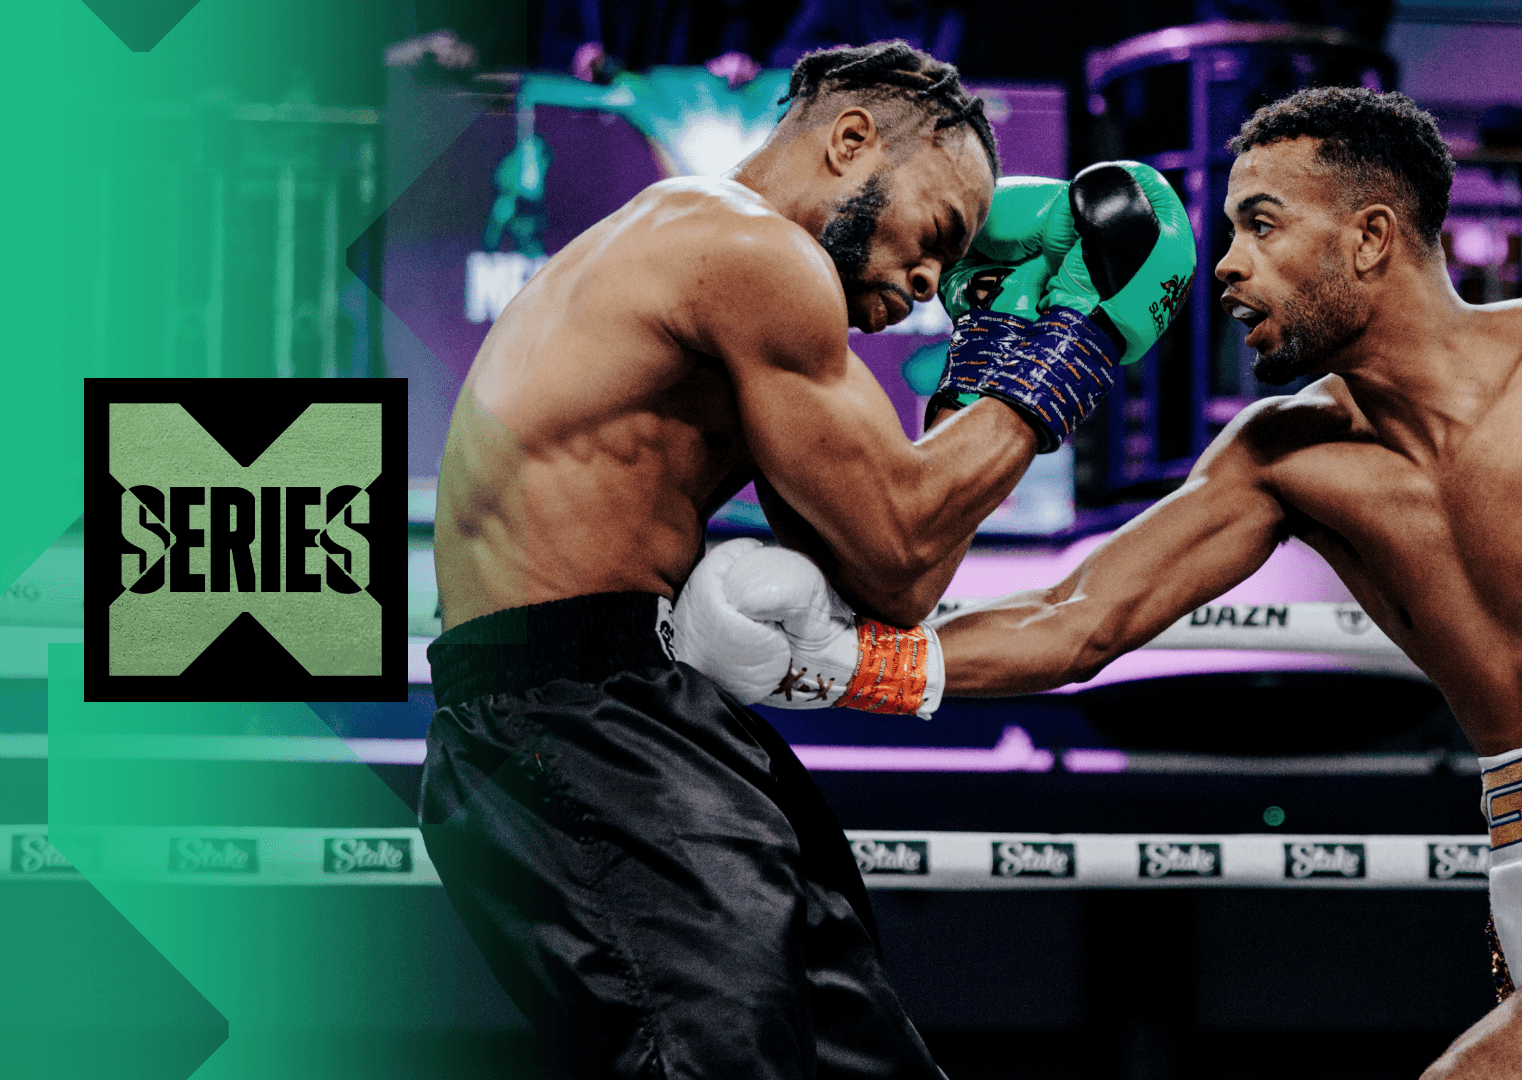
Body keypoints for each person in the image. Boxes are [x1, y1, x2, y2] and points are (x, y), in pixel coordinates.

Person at [673, 86, 1522, 1080]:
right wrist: (838, 669)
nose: (1224, 267)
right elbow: (1078, 619)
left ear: (1371, 236)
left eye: (1261, 225)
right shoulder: (1280, 455)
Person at [422, 37, 1193, 1078]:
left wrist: (984, 367)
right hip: (568, 715)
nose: (931, 281)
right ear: (852, 139)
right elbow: (903, 539)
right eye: (938, 233)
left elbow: (897, 583)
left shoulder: (710, 266)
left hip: (626, 705)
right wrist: (1071, 344)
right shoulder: (748, 251)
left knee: (853, 1057)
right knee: (723, 1057)